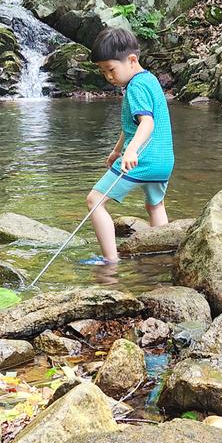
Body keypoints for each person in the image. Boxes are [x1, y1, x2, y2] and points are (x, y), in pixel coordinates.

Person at [83, 26, 174, 266]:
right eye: (103, 72)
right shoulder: (150, 79)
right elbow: (132, 125)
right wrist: (117, 150)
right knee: (155, 204)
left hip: (142, 160)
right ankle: (162, 256)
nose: (108, 77)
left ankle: (110, 261)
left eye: (111, 69)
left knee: (94, 201)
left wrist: (131, 151)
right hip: (163, 161)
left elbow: (147, 123)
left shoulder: (135, 86)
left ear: (132, 60)